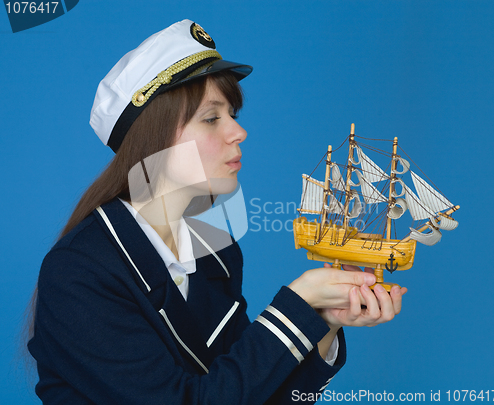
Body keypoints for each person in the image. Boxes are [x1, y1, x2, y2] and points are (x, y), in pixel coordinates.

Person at [27, 19, 406, 404]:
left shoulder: (215, 251)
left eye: (233, 115)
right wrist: (297, 303)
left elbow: (249, 392)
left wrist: (322, 322)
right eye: (211, 119)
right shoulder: (80, 271)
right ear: (152, 140)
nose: (238, 132)